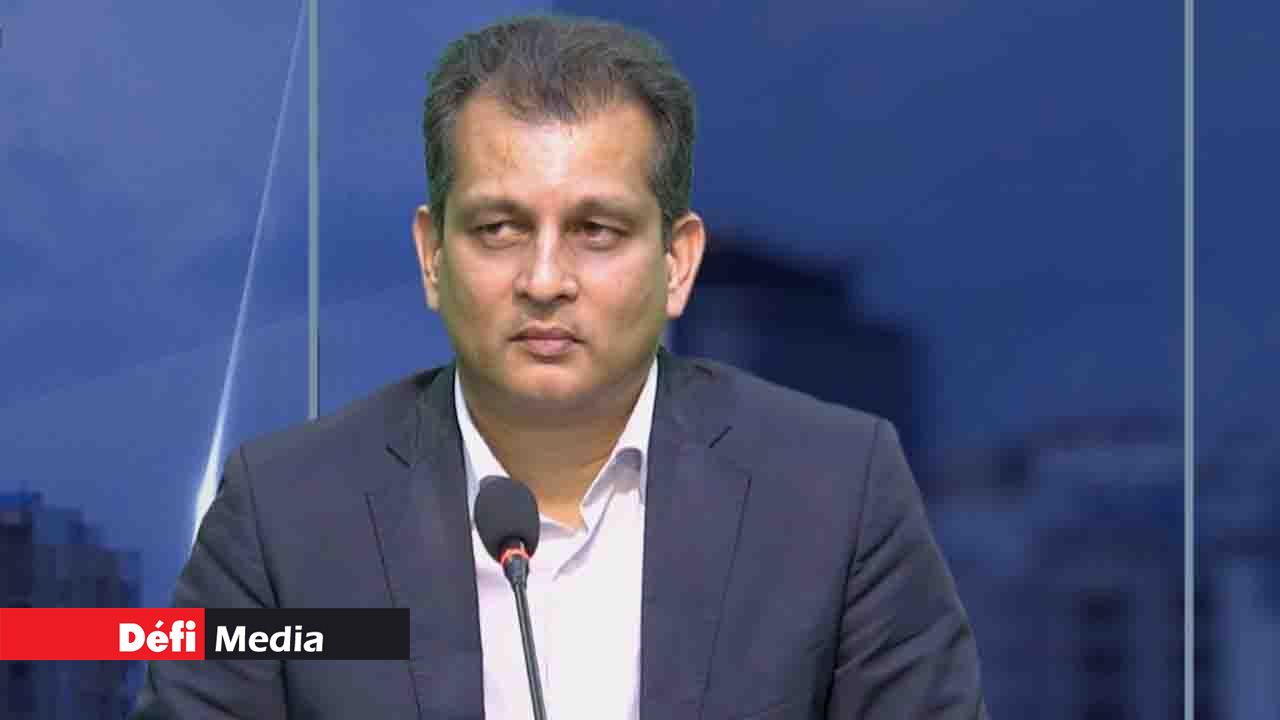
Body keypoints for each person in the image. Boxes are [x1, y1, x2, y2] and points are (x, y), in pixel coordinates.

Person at [134, 14, 987, 720]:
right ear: (433, 256)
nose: (545, 280)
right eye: (499, 229)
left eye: (596, 231)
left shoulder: (839, 492)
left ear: (678, 263)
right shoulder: (282, 515)